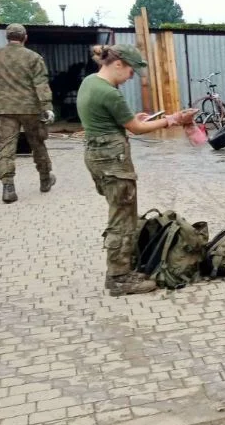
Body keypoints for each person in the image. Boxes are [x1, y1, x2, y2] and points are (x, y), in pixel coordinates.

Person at [78, 44, 194, 296]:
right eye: (131, 70)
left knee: (119, 213)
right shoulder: (110, 93)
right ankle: (119, 278)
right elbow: (136, 129)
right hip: (113, 161)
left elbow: (121, 122)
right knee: (123, 218)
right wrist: (173, 120)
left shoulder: (90, 82)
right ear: (118, 64)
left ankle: (122, 269)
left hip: (98, 156)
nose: (132, 76)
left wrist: (135, 119)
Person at [0, 23, 54, 203]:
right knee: (38, 144)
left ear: (7, 37)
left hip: (5, 109)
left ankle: (8, 187)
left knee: (6, 147)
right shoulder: (33, 57)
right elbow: (41, 83)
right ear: (25, 37)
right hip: (31, 109)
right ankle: (45, 180)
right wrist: (47, 107)